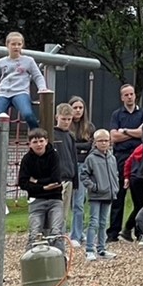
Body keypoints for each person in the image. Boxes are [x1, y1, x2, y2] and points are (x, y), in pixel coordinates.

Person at [0, 31, 48, 160]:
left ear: (22, 45)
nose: (16, 47)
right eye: (13, 44)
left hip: (20, 92)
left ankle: (38, 138)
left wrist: (42, 88)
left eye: (19, 44)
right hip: (3, 93)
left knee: (27, 114)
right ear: (7, 45)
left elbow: (37, 76)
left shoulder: (28, 61)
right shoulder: (1, 62)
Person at [108, 84, 143, 244]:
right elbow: (113, 137)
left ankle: (139, 231)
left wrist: (124, 131)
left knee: (140, 198)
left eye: (131, 94)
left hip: (139, 157)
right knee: (118, 196)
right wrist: (133, 132)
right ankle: (113, 233)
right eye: (126, 95)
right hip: (121, 157)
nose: (129, 97)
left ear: (135, 96)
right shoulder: (117, 114)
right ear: (122, 97)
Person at [17, 128, 65, 252]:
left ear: (46, 141)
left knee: (56, 232)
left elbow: (56, 179)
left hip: (55, 198)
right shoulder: (27, 159)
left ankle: (60, 261)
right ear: (30, 144)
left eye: (41, 141)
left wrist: (36, 181)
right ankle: (31, 261)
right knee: (34, 232)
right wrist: (43, 187)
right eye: (35, 142)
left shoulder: (54, 155)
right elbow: (23, 183)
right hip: (36, 200)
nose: (38, 144)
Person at [79, 129, 118, 261]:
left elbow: (115, 174)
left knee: (103, 223)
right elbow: (84, 175)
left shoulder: (112, 157)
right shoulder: (91, 158)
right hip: (96, 195)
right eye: (100, 140)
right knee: (94, 222)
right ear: (95, 143)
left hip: (109, 194)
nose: (104, 143)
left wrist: (115, 188)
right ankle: (90, 249)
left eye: (106, 140)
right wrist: (93, 187)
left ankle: (102, 248)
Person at [68, 95, 95, 247]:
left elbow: (90, 146)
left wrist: (77, 148)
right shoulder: (66, 127)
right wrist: (80, 148)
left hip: (83, 167)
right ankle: (74, 233)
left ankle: (77, 233)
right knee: (70, 201)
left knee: (80, 201)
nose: (78, 111)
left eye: (80, 108)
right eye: (75, 107)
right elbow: (68, 147)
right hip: (68, 167)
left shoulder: (89, 127)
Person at [52, 101, 80, 247]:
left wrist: (76, 181)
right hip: (58, 179)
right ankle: (55, 241)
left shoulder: (70, 136)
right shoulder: (51, 134)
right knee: (56, 213)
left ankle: (60, 240)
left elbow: (73, 158)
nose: (66, 122)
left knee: (64, 214)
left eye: (69, 119)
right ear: (57, 117)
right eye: (64, 119)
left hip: (69, 178)